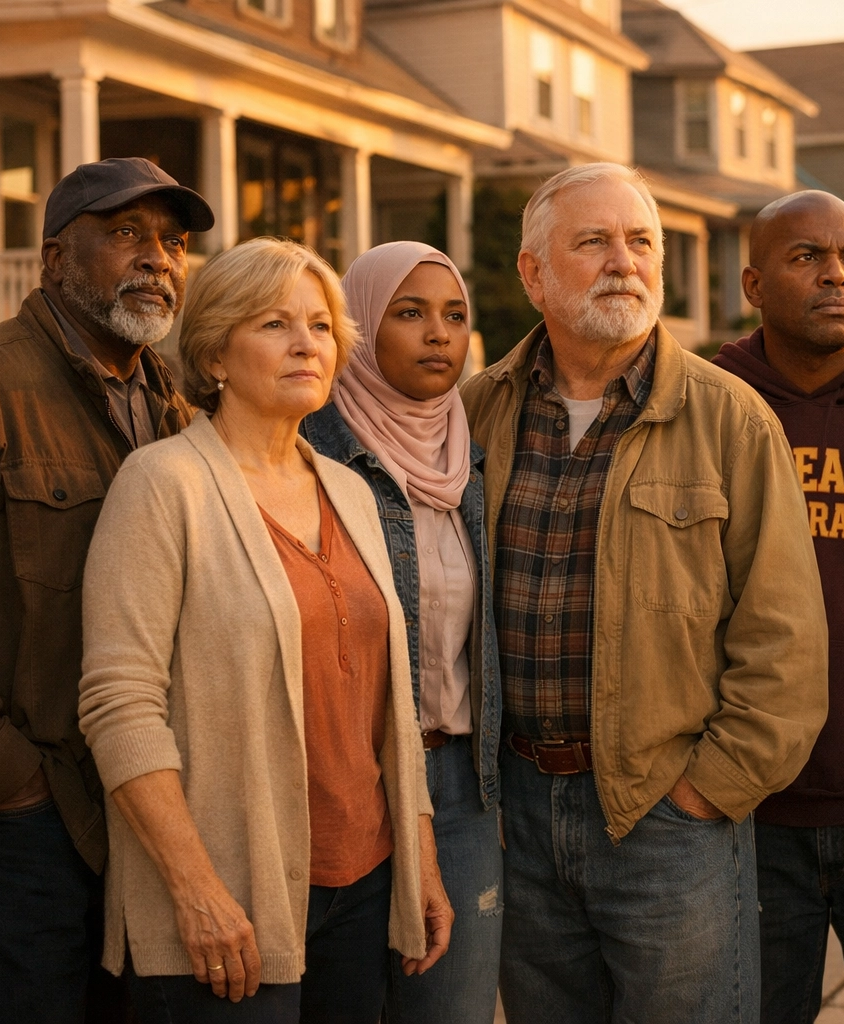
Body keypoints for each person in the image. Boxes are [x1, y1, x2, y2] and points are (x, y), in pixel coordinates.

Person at [460, 162, 829, 1024]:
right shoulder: (477, 413)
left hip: (667, 822)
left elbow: (787, 642)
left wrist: (704, 793)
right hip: (516, 810)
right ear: (532, 272)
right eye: (593, 242)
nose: (624, 261)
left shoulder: (731, 420)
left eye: (641, 242)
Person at [77, 238, 451, 1022]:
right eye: (275, 324)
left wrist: (420, 859)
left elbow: (391, 700)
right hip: (233, 899)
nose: (305, 343)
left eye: (320, 326)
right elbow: (120, 705)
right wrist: (196, 888)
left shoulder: (350, 491)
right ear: (214, 351)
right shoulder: (162, 485)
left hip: (365, 879)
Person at [0, 157, 212, 1023]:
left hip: (137, 808)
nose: (157, 258)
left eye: (173, 241)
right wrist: (3, 780)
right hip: (12, 820)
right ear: (53, 258)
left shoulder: (172, 409)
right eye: (126, 234)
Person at [713, 190, 844, 1024]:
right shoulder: (713, 403)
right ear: (754, 283)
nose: (838, 274)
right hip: (755, 812)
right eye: (807, 257)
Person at [301, 240, 503, 1024]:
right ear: (358, 327)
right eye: (409, 314)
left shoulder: (475, 459)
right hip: (349, 780)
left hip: (460, 788)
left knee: (449, 1008)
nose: (438, 335)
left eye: (454, 316)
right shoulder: (313, 452)